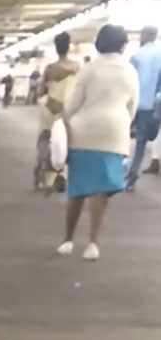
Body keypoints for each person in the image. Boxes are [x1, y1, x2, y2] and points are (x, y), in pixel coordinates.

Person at [56, 24, 138, 261]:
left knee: (77, 190)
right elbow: (132, 106)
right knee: (101, 192)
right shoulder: (130, 71)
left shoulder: (89, 69)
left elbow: (72, 105)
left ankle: (68, 240)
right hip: (114, 133)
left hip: (84, 133)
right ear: (122, 45)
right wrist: (122, 124)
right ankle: (92, 244)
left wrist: (64, 122)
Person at [35, 31, 80, 193]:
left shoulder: (50, 69)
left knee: (45, 140)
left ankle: (44, 176)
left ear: (56, 48)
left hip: (51, 109)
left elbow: (41, 91)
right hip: (70, 112)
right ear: (69, 46)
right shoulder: (78, 67)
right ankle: (64, 175)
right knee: (69, 142)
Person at [126, 26, 161, 191]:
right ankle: (132, 176)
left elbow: (129, 81)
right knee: (143, 141)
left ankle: (130, 176)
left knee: (135, 142)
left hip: (136, 104)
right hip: (154, 105)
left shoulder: (137, 56)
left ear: (144, 36)